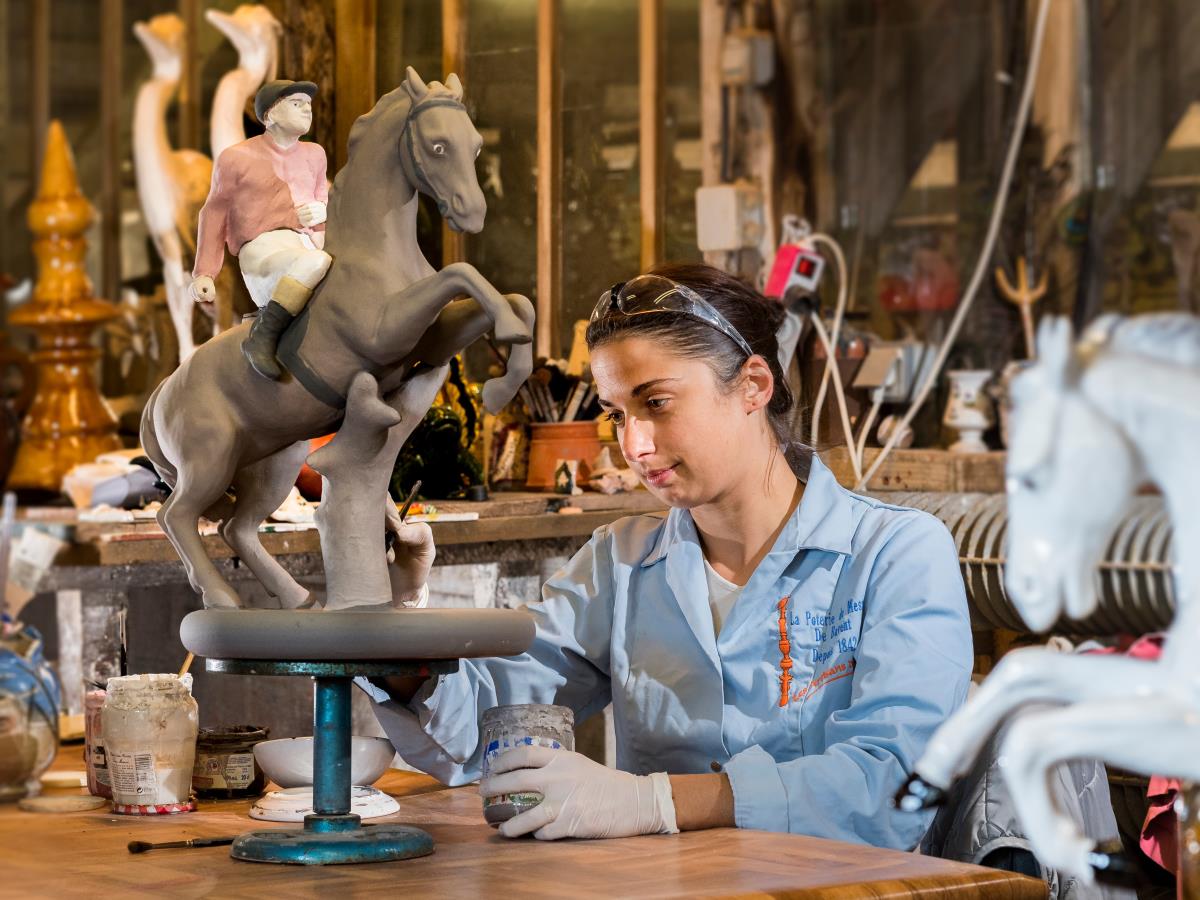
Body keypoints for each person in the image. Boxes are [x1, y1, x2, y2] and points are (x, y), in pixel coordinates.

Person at [360, 263, 972, 848]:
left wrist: (654, 803)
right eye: (616, 413)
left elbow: (893, 785)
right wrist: (400, 632)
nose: (634, 443)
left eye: (656, 403)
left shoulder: (895, 553)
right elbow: (487, 722)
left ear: (754, 385)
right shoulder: (621, 564)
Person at [190, 79, 331, 380]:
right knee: (316, 263)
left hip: (309, 243)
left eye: (308, 104)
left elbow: (322, 197)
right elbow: (214, 211)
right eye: (296, 103)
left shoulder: (315, 155)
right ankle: (263, 336)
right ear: (270, 115)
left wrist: (323, 210)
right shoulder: (236, 158)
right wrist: (205, 272)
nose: (307, 109)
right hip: (264, 252)